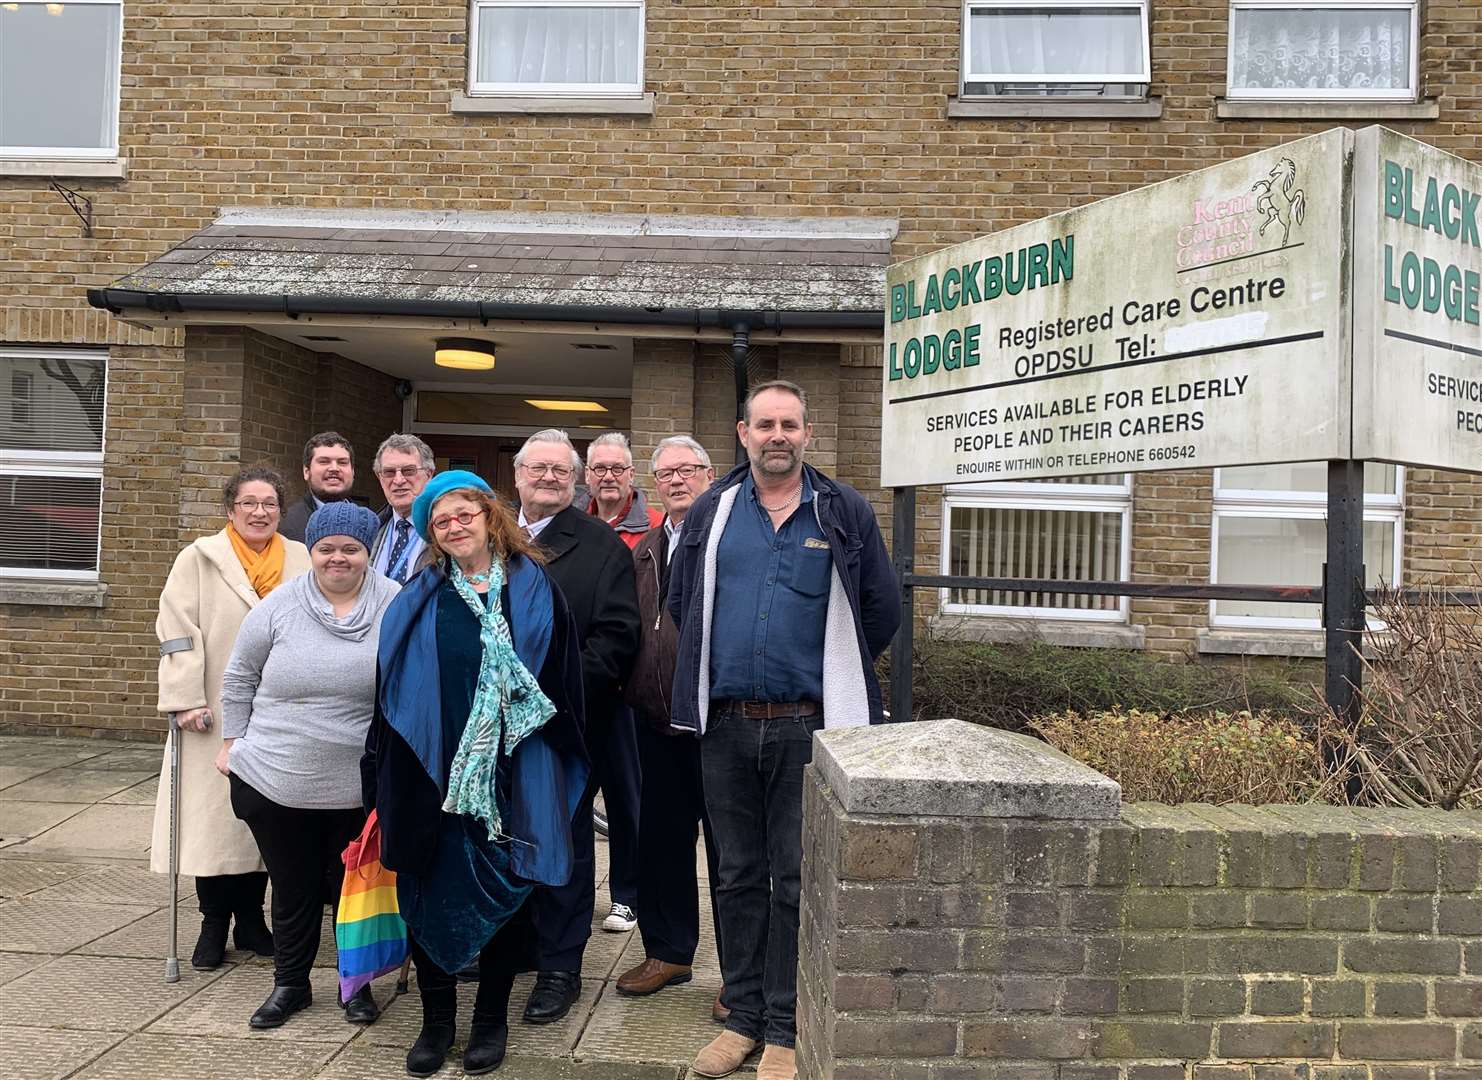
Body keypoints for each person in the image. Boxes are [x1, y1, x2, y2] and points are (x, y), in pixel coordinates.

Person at [668, 381, 902, 1080]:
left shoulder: (843, 511)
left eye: (790, 424)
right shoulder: (713, 509)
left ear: (806, 433)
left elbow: (879, 610)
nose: (778, 435)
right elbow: (682, 601)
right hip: (727, 728)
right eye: (765, 424)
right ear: (743, 433)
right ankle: (739, 1016)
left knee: (797, 880)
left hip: (808, 729)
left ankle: (785, 1026)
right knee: (737, 876)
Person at [364, 471, 588, 1077]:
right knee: (426, 893)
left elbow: (564, 680)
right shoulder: (420, 596)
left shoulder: (536, 589)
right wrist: (381, 777)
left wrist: (558, 757)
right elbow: (389, 691)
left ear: (491, 517)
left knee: (508, 895)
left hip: (512, 771)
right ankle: (436, 1021)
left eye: (465, 513)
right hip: (431, 773)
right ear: (432, 534)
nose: (456, 525)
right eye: (442, 520)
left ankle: (490, 1019)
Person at [218, 501, 399, 1030]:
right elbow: (239, 678)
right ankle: (290, 985)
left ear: (368, 552)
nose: (337, 558)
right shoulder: (277, 606)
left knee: (354, 891)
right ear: (311, 551)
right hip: (277, 776)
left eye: (351, 549)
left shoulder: (395, 603)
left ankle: (356, 988)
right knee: (292, 886)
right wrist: (233, 744)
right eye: (326, 548)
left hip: (358, 781)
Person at [152, 466, 310, 971]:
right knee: (213, 821)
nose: (259, 512)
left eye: (269, 504)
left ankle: (252, 920)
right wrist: (185, 699)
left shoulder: (302, 558)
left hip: (281, 714)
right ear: (230, 510)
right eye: (249, 503)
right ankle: (213, 921)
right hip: (212, 713)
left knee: (263, 819)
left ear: (281, 511)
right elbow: (177, 631)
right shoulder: (198, 559)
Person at [513, 429, 641, 1024]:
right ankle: (512, 948)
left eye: (560, 471)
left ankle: (560, 966)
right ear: (517, 475)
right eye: (537, 468)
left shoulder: (600, 548)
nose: (548, 478)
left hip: (562, 727)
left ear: (577, 479)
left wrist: (544, 695)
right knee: (500, 841)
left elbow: (616, 638)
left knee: (560, 842)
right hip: (489, 732)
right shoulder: (486, 537)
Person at [616, 437, 727, 1014]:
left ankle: (742, 972)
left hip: (719, 725)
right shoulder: (646, 549)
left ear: (710, 474)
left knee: (733, 854)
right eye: (665, 473)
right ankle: (668, 951)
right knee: (660, 844)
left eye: (687, 470)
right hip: (655, 722)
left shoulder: (729, 539)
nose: (676, 480)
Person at [369, 433, 435, 584]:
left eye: (408, 471)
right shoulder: (370, 530)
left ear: (429, 474)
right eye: (389, 472)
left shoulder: (445, 531)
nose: (398, 480)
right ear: (380, 477)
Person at [583, 432, 662, 550]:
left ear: (631, 475)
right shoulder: (570, 525)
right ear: (587, 475)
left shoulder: (657, 528)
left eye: (617, 468)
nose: (608, 477)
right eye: (600, 468)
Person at [280, 431, 357, 542]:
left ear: (353, 472)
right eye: (324, 461)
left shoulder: (372, 524)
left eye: (342, 462)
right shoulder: (284, 525)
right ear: (306, 472)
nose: (334, 468)